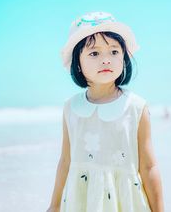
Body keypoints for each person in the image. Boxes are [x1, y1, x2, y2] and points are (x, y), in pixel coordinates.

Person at [46, 11, 164, 212]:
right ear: (78, 63)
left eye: (114, 52)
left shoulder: (136, 107)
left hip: (125, 202)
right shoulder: (71, 108)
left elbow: (149, 166)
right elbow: (65, 161)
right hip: (81, 201)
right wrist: (55, 205)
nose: (106, 59)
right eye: (94, 53)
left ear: (124, 58)